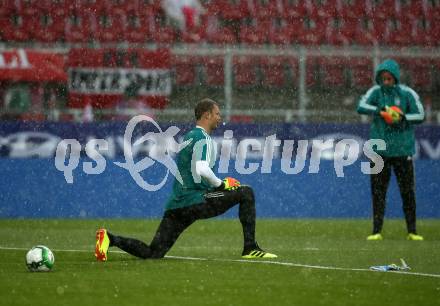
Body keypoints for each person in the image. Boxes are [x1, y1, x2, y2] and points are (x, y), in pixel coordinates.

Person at [95, 98, 277, 260]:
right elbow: (202, 169)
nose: (220, 118)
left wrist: (220, 186)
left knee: (153, 252)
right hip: (195, 201)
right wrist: (222, 184)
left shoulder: (189, 137)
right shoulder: (202, 138)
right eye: (217, 114)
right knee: (246, 192)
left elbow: (194, 173)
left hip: (177, 205)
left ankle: (110, 238)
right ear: (206, 115)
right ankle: (250, 247)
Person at [356, 59, 425, 241]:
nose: (386, 82)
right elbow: (361, 106)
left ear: (395, 78)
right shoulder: (375, 92)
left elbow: (420, 115)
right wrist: (381, 111)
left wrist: (402, 117)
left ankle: (412, 231)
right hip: (379, 151)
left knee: (407, 192)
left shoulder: (407, 93)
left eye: (389, 78)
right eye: (383, 78)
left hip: (402, 150)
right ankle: (376, 231)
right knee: (378, 192)